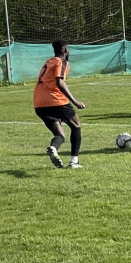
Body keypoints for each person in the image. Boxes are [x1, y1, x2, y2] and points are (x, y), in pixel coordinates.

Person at [34, 40, 86, 169]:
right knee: (76, 126)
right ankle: (74, 161)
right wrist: (74, 101)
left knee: (60, 135)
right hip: (56, 100)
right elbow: (59, 82)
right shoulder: (61, 62)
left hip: (39, 103)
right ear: (65, 50)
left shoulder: (48, 61)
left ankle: (53, 148)